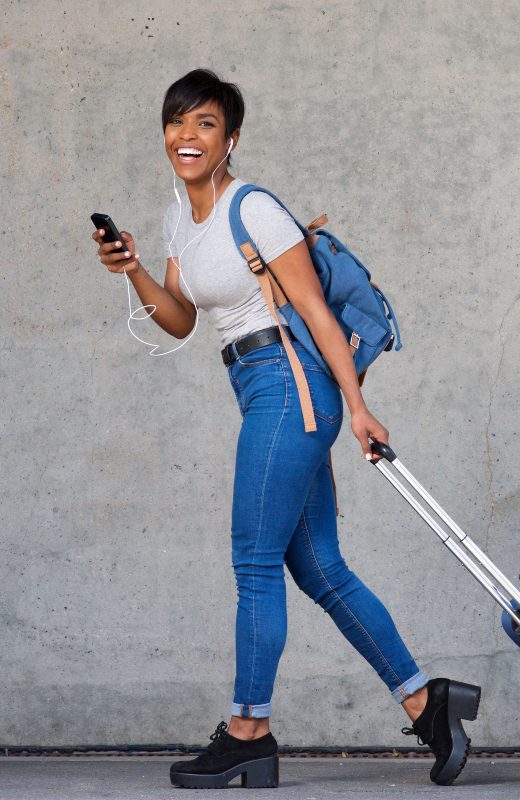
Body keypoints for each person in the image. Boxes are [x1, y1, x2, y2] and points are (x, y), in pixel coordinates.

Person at [91, 68, 481, 790]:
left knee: (255, 561)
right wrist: (135, 270)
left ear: (230, 139)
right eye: (178, 122)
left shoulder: (255, 209)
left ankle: (249, 731)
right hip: (254, 387)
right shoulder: (182, 217)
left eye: (205, 123)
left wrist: (358, 409)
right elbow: (178, 320)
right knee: (320, 568)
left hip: (291, 388)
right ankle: (428, 704)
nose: (188, 134)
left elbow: (317, 312)